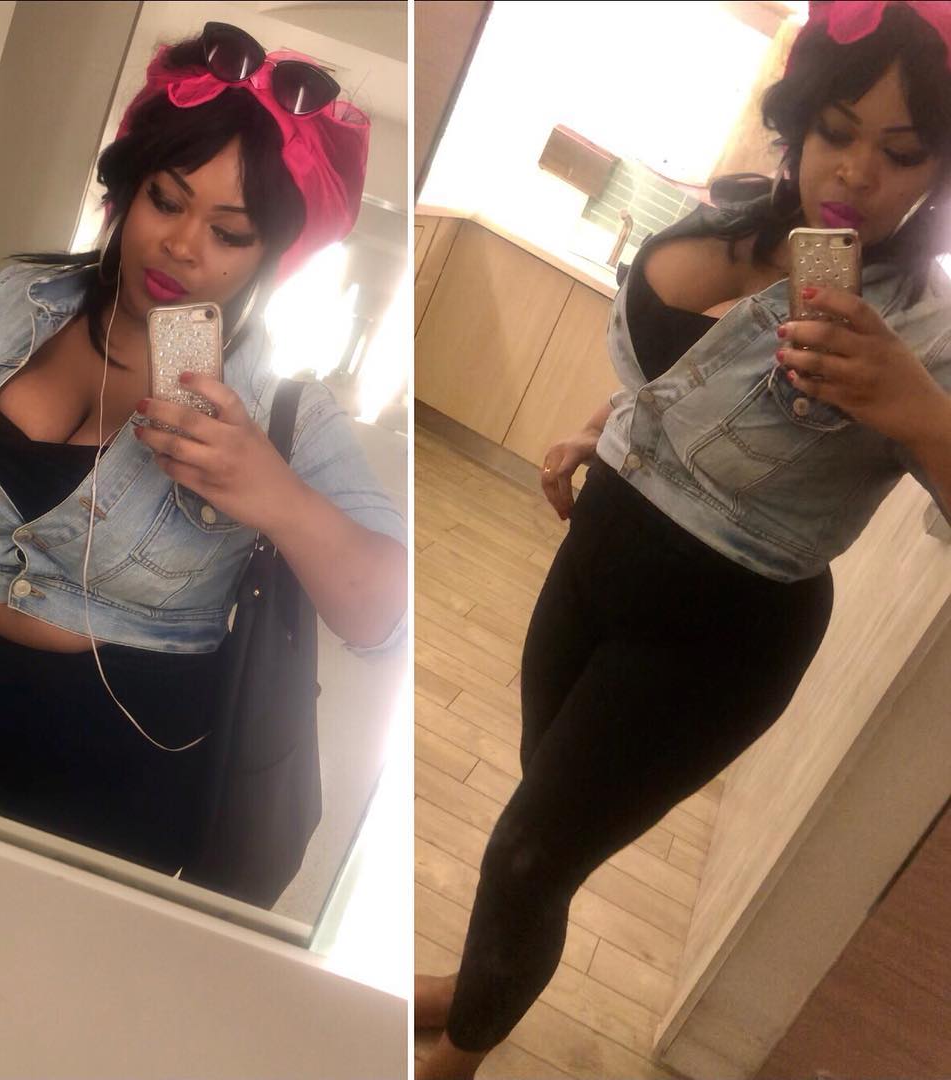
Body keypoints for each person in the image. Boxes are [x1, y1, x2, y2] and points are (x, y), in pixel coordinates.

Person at [415, 2, 951, 1076]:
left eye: (901, 153)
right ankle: (479, 988)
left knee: (527, 857)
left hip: (721, 635)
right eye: (838, 130)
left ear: (940, 172)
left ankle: (456, 1056)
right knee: (537, 814)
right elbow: (684, 383)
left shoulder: (924, 333)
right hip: (593, 562)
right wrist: (607, 427)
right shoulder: (738, 215)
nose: (855, 172)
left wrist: (918, 408)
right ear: (802, 118)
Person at [0, 24, 407, 878]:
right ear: (129, 189)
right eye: (166, 199)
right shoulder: (13, 305)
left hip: (126, 771)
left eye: (230, 233)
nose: (183, 245)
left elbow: (384, 619)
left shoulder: (280, 413)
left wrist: (273, 493)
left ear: (270, 254)